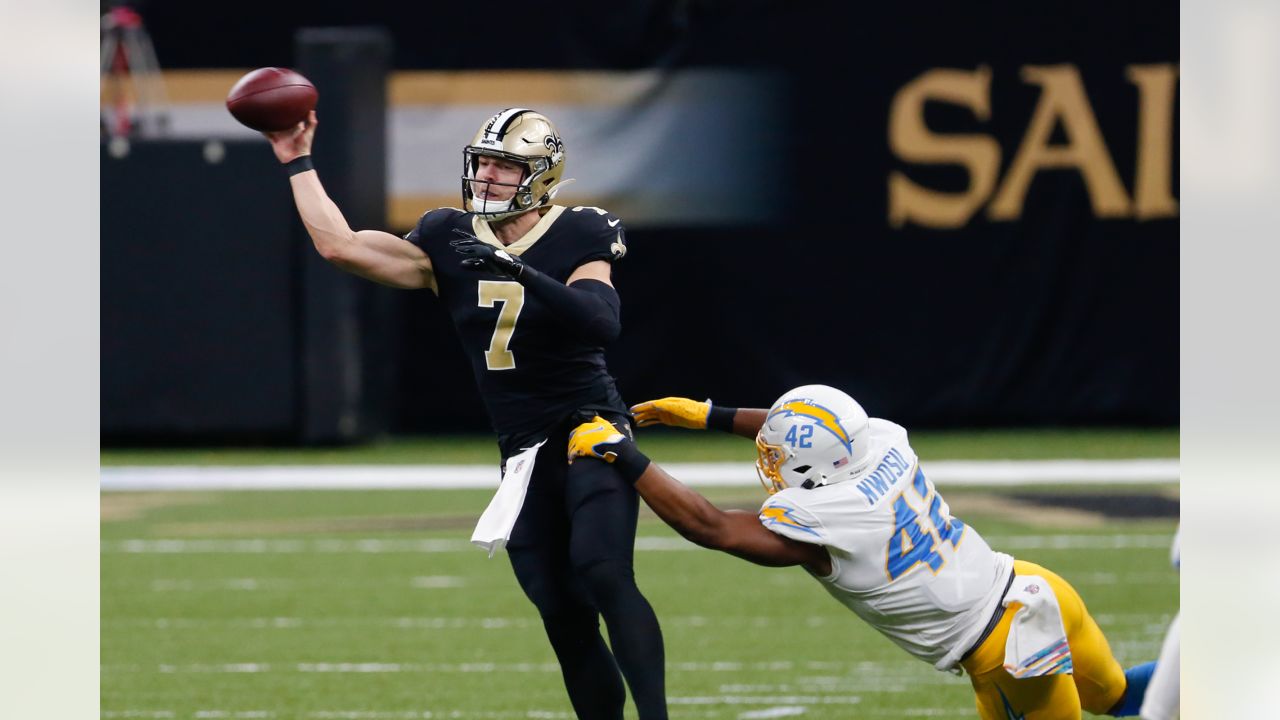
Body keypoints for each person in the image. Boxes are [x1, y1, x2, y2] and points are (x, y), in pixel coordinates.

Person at [264, 108, 667, 719]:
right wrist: (296, 159)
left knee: (603, 571)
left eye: (504, 165)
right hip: (523, 451)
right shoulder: (446, 236)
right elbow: (339, 246)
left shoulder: (581, 229)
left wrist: (517, 269)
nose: (487, 175)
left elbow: (599, 322)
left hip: (592, 429)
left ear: (541, 173)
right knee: (561, 612)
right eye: (482, 162)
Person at [566, 385, 1156, 719]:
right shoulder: (881, 442)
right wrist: (711, 416)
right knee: (1122, 697)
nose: (769, 458)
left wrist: (624, 455)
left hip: (1005, 651)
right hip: (1034, 585)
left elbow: (713, 527)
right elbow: (813, 429)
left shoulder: (826, 518)